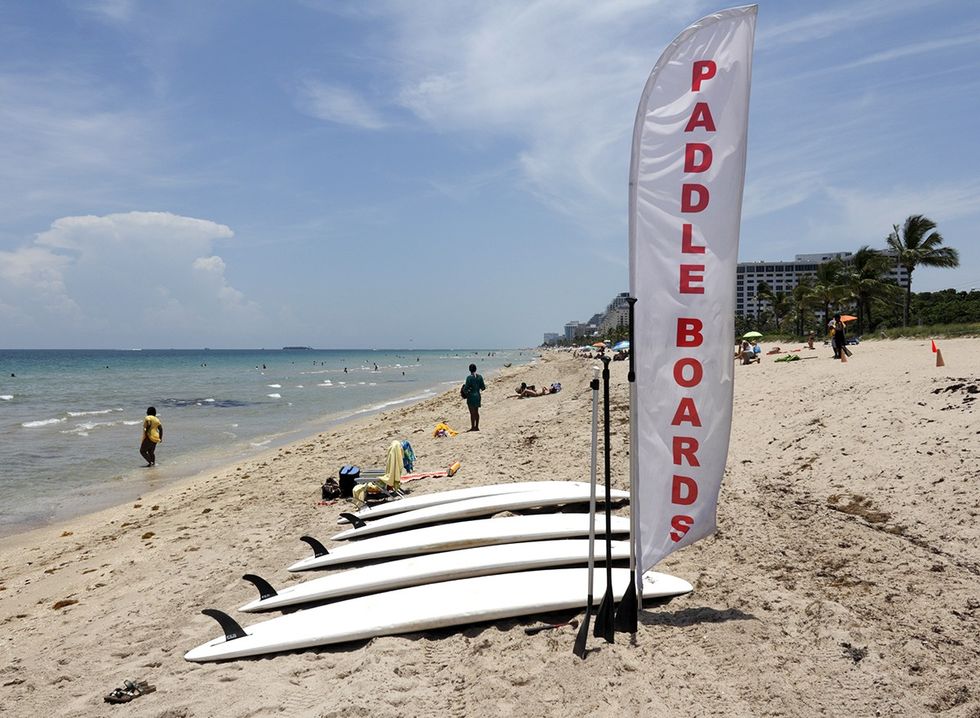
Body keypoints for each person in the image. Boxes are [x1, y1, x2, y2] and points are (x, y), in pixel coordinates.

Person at [463, 363, 485, 431]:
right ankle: (477, 426)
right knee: (476, 412)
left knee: (472, 413)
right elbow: (483, 387)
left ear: (469, 370)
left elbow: (466, 389)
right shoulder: (480, 377)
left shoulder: (469, 378)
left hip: (471, 396)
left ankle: (473, 427)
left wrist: (465, 391)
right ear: (476, 369)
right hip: (478, 396)